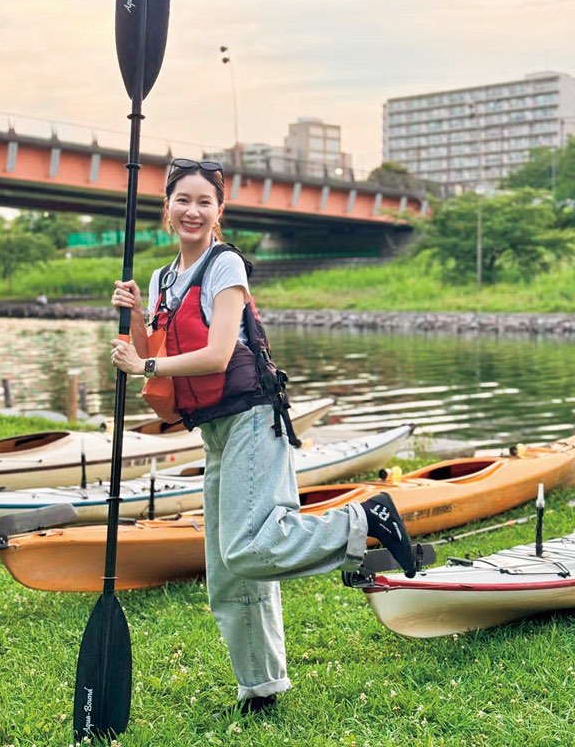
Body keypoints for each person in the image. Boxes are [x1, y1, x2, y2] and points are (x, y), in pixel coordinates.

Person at [110, 157, 417, 715]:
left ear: (219, 211)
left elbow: (218, 353)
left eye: (206, 201)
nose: (193, 211)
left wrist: (144, 369)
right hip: (216, 429)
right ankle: (261, 687)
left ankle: (363, 521)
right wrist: (133, 318)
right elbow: (156, 350)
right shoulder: (160, 279)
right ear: (167, 207)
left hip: (254, 416)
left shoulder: (225, 266)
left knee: (250, 546)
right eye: (184, 200)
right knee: (227, 571)